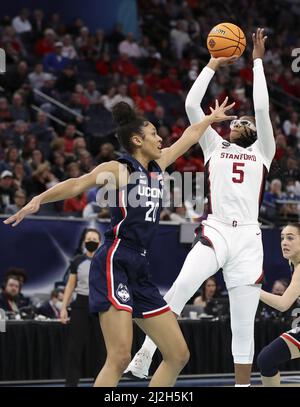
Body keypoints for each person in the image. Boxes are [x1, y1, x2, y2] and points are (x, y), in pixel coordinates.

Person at [3, 97, 235, 387]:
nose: (161, 138)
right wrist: (39, 198)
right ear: (137, 140)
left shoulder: (158, 165)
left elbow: (188, 137)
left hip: (139, 264)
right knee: (120, 356)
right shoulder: (119, 169)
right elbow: (77, 184)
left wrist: (209, 120)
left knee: (178, 354)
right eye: (153, 134)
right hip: (115, 259)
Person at [125, 28, 275, 387]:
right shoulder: (212, 143)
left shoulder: (263, 152)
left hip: (249, 239)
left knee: (243, 326)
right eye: (236, 121)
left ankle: (242, 386)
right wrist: (211, 64)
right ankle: (145, 353)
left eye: (246, 122)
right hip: (218, 229)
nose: (241, 121)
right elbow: (193, 106)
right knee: (181, 286)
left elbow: (263, 107)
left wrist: (257, 62)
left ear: (255, 131)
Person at [257, 223, 300, 386]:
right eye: (282, 238)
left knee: (266, 359)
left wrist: (252, 291)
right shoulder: (293, 264)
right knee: (266, 360)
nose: (284, 242)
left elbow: (283, 304)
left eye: (290, 238)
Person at [60, 228, 102, 387]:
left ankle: (101, 383)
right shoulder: (77, 261)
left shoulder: (104, 260)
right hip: (80, 306)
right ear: (84, 242)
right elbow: (70, 285)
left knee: (100, 348)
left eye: (94, 238)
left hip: (100, 306)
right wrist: (64, 307)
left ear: (99, 242)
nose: (91, 241)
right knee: (75, 348)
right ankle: (71, 384)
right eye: (89, 238)